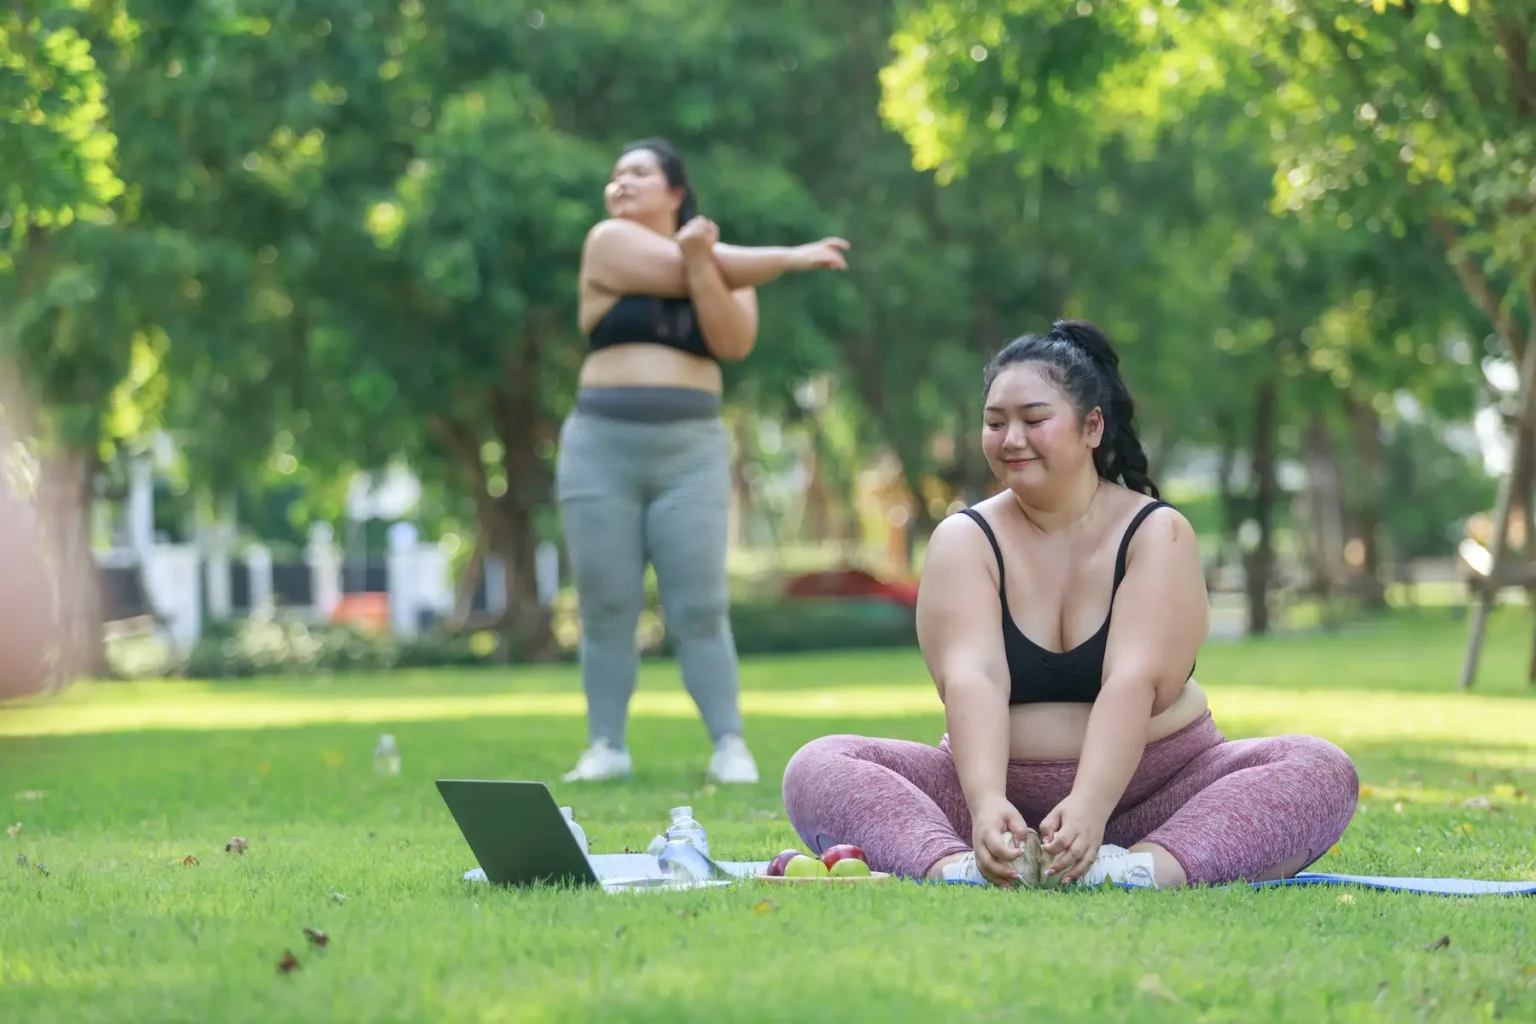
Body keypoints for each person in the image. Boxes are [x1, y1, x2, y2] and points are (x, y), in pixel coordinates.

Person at [781, 320, 1359, 887]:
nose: (1011, 440)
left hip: (1157, 795)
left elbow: (1133, 681)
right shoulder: (965, 539)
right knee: (820, 765)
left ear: (1091, 427)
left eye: (1034, 420)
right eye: (994, 422)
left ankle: (1137, 868)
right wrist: (984, 805)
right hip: (987, 797)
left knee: (1317, 766)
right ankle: (961, 866)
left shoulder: (1157, 533)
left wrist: (1088, 806)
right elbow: (971, 679)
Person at [558, 138, 850, 784]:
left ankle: (729, 745)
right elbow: (680, 270)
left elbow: (732, 339)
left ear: (675, 191)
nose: (621, 184)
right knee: (607, 603)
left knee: (700, 605)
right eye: (615, 175)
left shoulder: (720, 265)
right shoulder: (607, 241)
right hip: (600, 448)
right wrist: (786, 259)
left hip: (689, 451)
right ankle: (605, 745)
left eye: (638, 173)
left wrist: (702, 263)